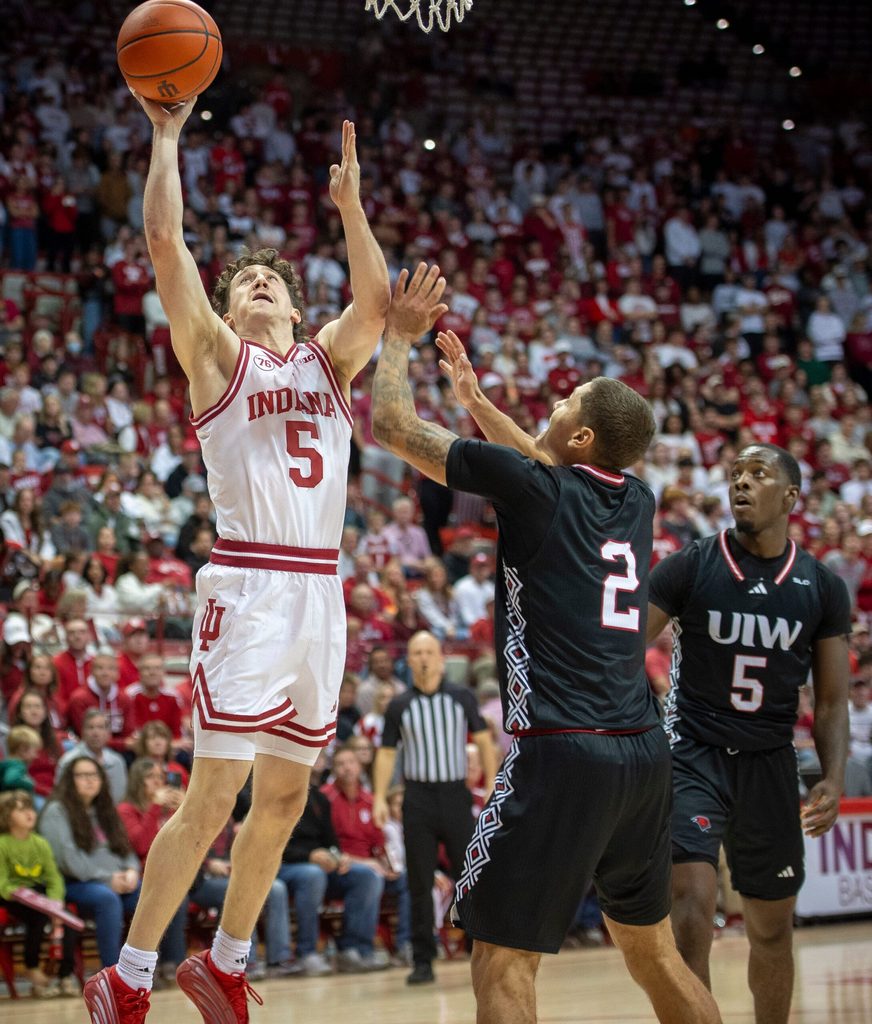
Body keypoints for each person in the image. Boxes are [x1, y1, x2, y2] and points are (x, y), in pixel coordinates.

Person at [84, 92, 390, 1024]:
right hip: (252, 583)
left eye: (271, 283)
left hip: (320, 597)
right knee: (215, 792)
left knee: (288, 794)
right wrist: (167, 136)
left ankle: (223, 963)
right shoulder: (218, 359)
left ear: (297, 307)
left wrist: (348, 208)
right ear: (224, 310)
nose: (257, 287)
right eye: (243, 283)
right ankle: (129, 975)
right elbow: (165, 249)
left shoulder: (330, 366)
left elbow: (376, 302)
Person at [371, 266, 721, 1024]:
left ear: (585, 433)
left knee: (500, 956)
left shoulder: (533, 488)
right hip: (640, 753)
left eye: (563, 406)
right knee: (652, 952)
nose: (552, 411)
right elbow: (545, 461)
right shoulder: (636, 499)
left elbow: (392, 428)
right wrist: (477, 402)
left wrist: (398, 337)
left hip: (562, 752)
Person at [646, 443, 851, 1024]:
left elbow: (832, 700)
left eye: (757, 474)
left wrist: (832, 778)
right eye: (735, 474)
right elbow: (624, 645)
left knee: (771, 930)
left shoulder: (821, 586)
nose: (741, 483)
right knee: (689, 906)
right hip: (691, 752)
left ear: (790, 496)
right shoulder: (692, 564)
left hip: (769, 761)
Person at [372, 630, 496, 984]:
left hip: (455, 794)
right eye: (417, 653)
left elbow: (484, 740)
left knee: (469, 876)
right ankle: (423, 959)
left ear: (441, 658)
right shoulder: (399, 705)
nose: (424, 658)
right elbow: (386, 753)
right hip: (418, 799)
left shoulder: (462, 697)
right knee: (419, 881)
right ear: (409, 661)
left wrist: (489, 782)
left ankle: (481, 947)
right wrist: (381, 796)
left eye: (429, 651)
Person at [276, 757, 388, 976]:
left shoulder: (320, 798)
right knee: (313, 875)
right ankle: (306, 952)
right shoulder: (280, 798)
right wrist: (310, 855)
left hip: (320, 868)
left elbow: (332, 843)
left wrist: (339, 857)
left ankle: (354, 949)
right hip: (286, 867)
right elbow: (274, 846)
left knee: (367, 876)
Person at [39, 757, 141, 971]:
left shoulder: (105, 809)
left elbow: (125, 848)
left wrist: (131, 870)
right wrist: (107, 879)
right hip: (73, 883)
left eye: (94, 775)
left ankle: (146, 967)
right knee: (107, 899)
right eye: (82, 775)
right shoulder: (56, 811)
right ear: (69, 779)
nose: (89, 780)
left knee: (150, 893)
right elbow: (67, 860)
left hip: (113, 880)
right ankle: (113, 971)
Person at [0, 789, 75, 997]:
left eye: (30, 808)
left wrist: (55, 902)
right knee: (38, 916)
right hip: (12, 895)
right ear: (7, 816)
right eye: (21, 810)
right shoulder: (3, 844)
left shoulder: (40, 843)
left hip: (37, 892)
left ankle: (65, 975)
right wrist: (16, 893)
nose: (29, 813)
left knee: (67, 917)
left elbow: (53, 877)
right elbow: (2, 881)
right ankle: (32, 967)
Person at [58, 709, 128, 804]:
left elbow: (120, 798)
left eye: (100, 727)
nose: (96, 733)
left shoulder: (117, 762)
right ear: (82, 732)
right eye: (90, 728)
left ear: (108, 733)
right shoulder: (69, 761)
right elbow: (61, 796)